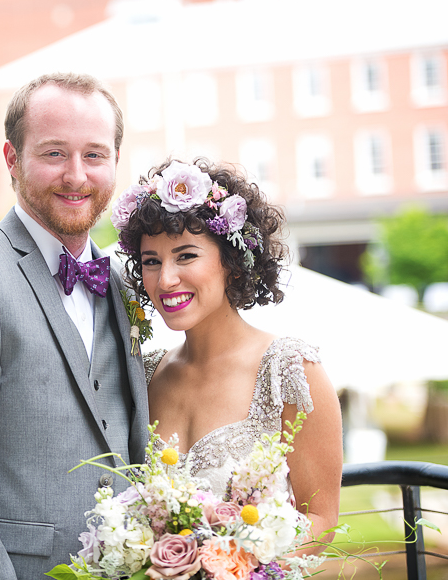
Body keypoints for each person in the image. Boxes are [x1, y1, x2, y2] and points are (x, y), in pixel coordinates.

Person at [0, 73, 151, 579]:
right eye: (54, 153)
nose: (77, 176)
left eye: (95, 155)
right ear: (12, 159)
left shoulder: (125, 283)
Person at [112, 157, 343, 553]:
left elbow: (320, 521)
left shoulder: (291, 370)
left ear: (232, 266)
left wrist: (235, 568)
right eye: (152, 261)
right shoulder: (144, 374)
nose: (166, 279)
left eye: (186, 256)